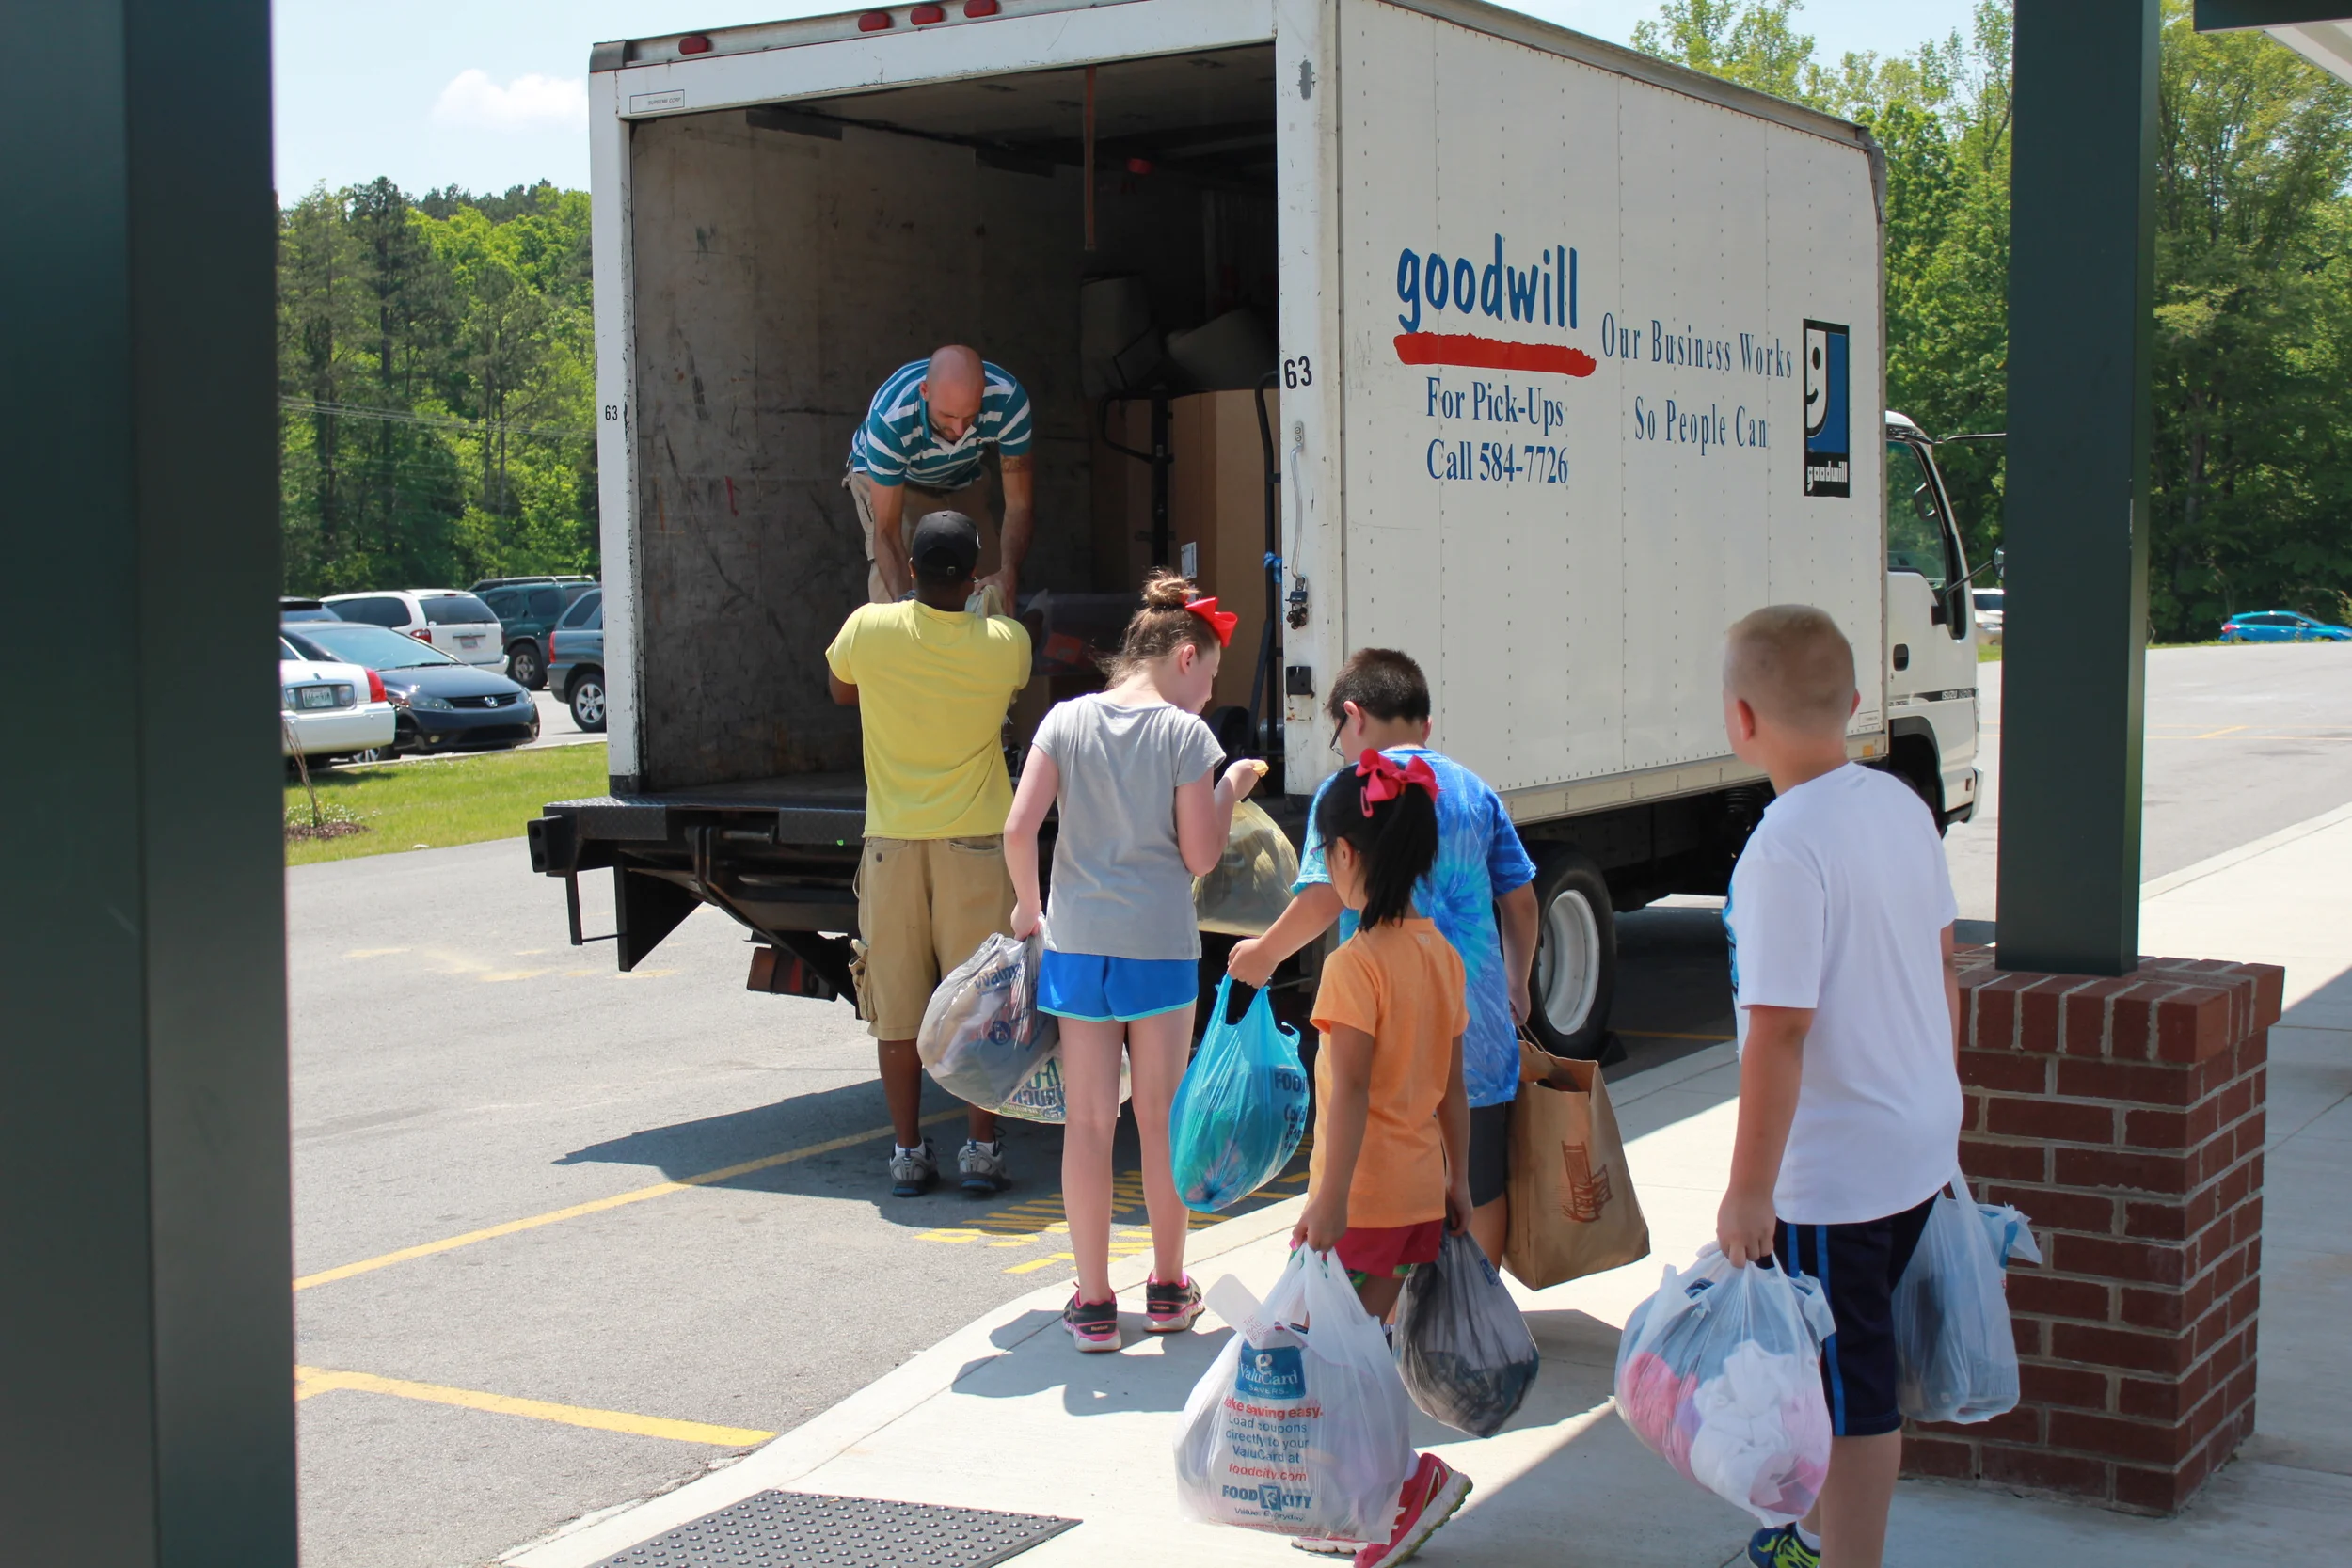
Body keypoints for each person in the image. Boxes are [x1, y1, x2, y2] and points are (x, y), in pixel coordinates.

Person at [1711, 606, 1963, 1568]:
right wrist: (1941, 1089)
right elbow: (1945, 961)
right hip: (1913, 1140)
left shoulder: (1783, 846)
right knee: (1847, 1367)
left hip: (1834, 1174)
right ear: (1855, 701)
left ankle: (1839, 1555)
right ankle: (1813, 1537)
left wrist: (1748, 1189)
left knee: (1849, 1394)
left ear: (1740, 719)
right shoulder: (1900, 805)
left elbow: (1779, 1031)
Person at [1003, 570, 1263, 1353]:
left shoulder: (1065, 719)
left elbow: (1019, 828)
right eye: (1209, 676)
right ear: (1185, 656)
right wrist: (1230, 786)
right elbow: (1200, 855)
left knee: (1086, 1123)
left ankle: (1091, 1302)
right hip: (1157, 948)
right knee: (1161, 1119)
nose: (1208, 695)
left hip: (1077, 946)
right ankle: (1168, 1289)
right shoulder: (1186, 737)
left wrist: (1029, 907)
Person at [1229, 649, 1537, 1266]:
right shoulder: (1473, 789)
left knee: (1385, 1217)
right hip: (1473, 1027)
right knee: (1480, 1188)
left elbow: (1321, 899)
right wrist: (1517, 982)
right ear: (1426, 724)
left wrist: (1263, 955)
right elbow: (1522, 902)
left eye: (1338, 734)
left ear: (1354, 715)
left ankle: (1393, 1320)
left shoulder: (1352, 791)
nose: (1342, 748)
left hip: (1384, 1040)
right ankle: (1472, 1309)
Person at [1290, 752, 1475, 1568]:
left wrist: (1328, 1200)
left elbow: (1354, 1091)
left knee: (1340, 1361)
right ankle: (1366, 1500)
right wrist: (1458, 1179)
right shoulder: (1441, 957)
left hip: (1361, 1199)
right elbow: (1454, 1091)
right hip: (1418, 1193)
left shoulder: (1352, 966)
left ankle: (1404, 1488)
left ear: (1345, 855)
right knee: (1363, 1350)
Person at [824, 511, 1034, 1199]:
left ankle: (908, 1151)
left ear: (910, 570)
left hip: (892, 842)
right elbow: (1014, 683)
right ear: (973, 576)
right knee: (981, 1001)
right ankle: (981, 1148)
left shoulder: (869, 628)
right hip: (976, 843)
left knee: (897, 1008)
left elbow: (841, 688)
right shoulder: (1005, 642)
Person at [846, 344, 1036, 606]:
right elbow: (887, 532)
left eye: (970, 416)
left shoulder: (1008, 401)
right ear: (924, 392)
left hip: (961, 476)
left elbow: (1019, 505)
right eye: (947, 415)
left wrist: (1008, 574)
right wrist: (905, 609)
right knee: (896, 601)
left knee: (993, 594)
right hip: (896, 481)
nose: (958, 430)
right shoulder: (890, 417)